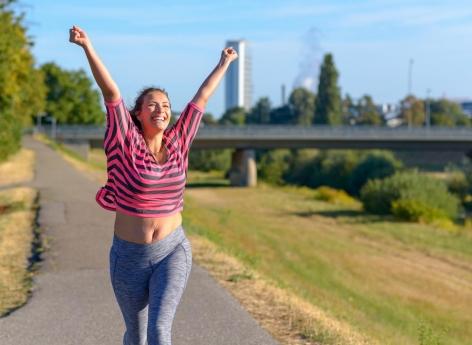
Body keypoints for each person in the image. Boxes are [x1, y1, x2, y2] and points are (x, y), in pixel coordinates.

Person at [69, 25, 238, 345]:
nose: (160, 109)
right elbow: (111, 94)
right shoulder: (124, 141)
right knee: (137, 334)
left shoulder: (179, 142)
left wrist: (223, 64)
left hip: (172, 249)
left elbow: (201, 99)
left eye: (165, 105)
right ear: (138, 113)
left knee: (160, 331)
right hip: (128, 255)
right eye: (152, 104)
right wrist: (87, 46)